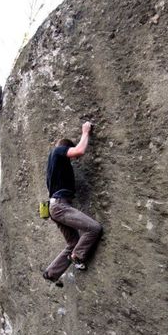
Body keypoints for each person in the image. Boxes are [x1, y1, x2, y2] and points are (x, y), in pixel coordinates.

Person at [43, 121, 102, 286]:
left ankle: (52, 273)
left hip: (55, 207)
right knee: (94, 228)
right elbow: (79, 150)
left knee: (73, 242)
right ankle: (77, 256)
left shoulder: (54, 165)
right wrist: (85, 132)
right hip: (61, 206)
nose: (73, 159)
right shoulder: (58, 151)